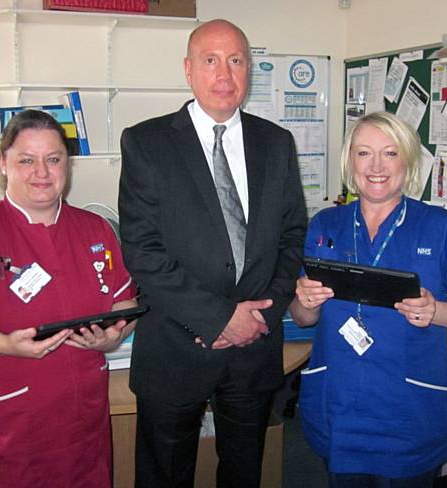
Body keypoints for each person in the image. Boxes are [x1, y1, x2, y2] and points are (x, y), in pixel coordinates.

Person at [118, 19, 307, 488]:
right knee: (164, 475)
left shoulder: (276, 143)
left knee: (244, 472)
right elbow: (143, 250)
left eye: (236, 60)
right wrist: (219, 318)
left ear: (249, 70)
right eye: (210, 60)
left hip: (254, 348)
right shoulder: (146, 142)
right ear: (188, 69)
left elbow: (292, 236)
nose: (224, 74)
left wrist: (262, 316)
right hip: (176, 347)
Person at [0, 109, 138, 488]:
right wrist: (3, 344)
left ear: (68, 163)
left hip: (82, 420)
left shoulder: (95, 229)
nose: (42, 173)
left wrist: (115, 333)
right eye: (26, 160)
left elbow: (124, 303)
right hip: (8, 424)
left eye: (53, 159)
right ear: (3, 163)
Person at [290, 111, 447, 488]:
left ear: (408, 161)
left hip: (409, 414)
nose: (377, 166)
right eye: (364, 153)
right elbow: (303, 318)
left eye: (390, 153)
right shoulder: (325, 225)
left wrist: (437, 311)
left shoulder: (441, 227)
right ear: (350, 162)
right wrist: (305, 300)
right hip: (340, 407)